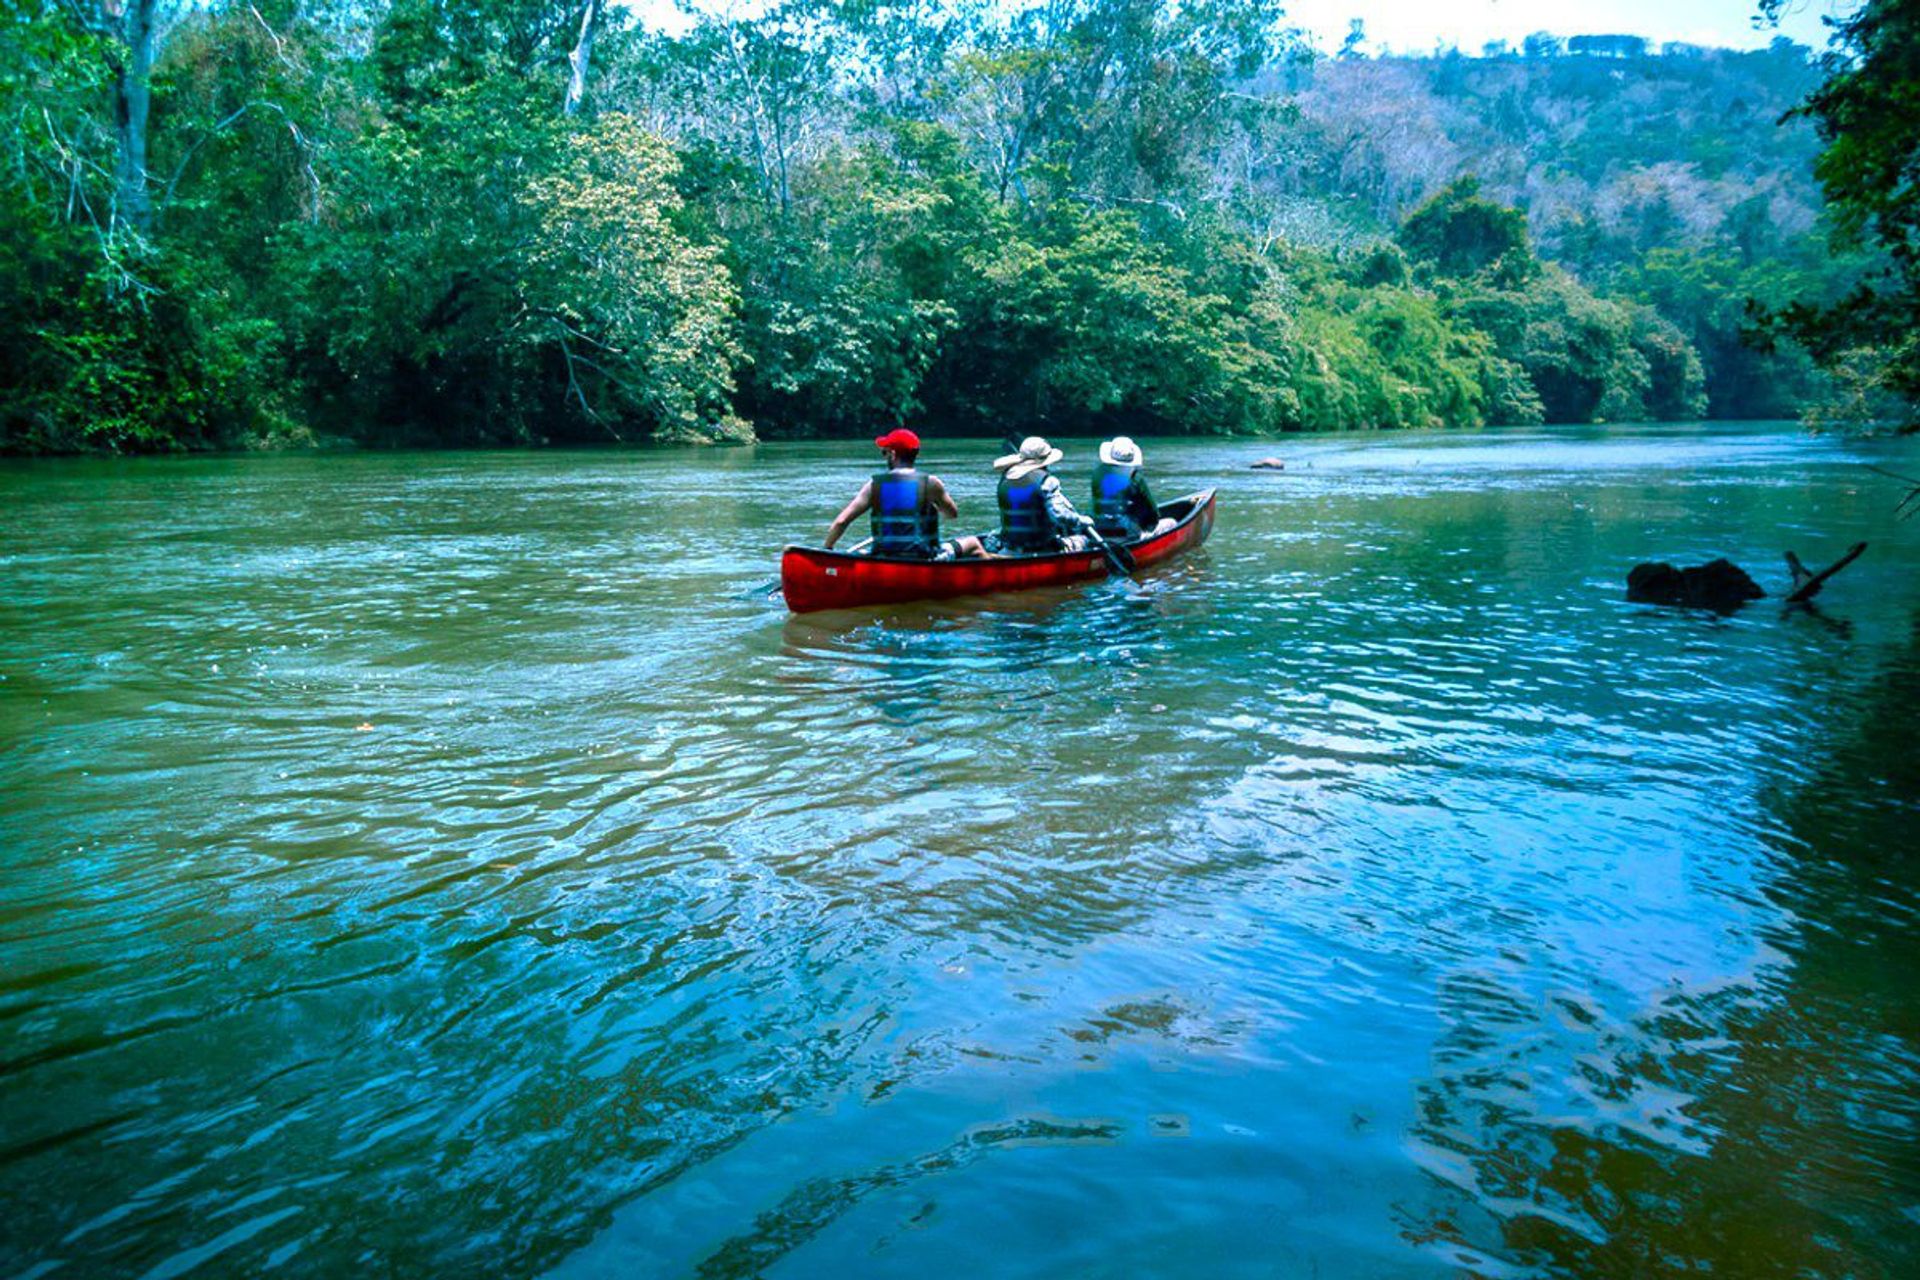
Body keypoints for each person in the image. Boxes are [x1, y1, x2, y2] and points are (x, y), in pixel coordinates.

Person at [948, 435, 1094, 558]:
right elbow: (1061, 516)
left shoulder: (1005, 477)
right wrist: (1083, 521)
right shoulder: (1047, 480)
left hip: (1010, 546)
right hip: (1041, 549)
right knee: (1085, 540)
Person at [823, 428, 959, 558]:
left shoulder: (874, 485)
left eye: (884, 453)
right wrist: (934, 509)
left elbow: (841, 522)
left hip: (884, 559)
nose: (885, 457)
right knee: (973, 544)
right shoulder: (931, 483)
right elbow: (952, 514)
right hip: (923, 559)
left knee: (861, 554)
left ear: (893, 455)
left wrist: (827, 550)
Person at [1090, 435, 1163, 541]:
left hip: (1098, 530)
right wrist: (1150, 526)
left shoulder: (1097, 474)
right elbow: (1152, 512)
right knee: (1171, 522)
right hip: (1127, 533)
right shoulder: (1136, 477)